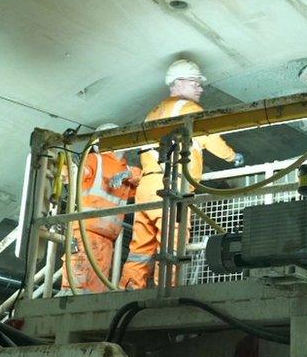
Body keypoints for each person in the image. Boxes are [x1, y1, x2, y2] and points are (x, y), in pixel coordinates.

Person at [119, 59, 245, 289]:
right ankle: (166, 292)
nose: (200, 88)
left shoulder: (153, 113)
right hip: (172, 186)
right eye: (195, 83)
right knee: (172, 244)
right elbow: (209, 137)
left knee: (140, 247)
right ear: (178, 82)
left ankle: (128, 290)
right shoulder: (188, 109)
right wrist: (232, 157)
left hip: (147, 187)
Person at [61, 123, 140, 294]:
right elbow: (75, 173)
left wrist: (129, 174)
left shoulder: (126, 171)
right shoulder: (94, 160)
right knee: (76, 289)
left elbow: (146, 180)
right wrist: (65, 171)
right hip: (85, 236)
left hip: (106, 241)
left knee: (94, 293)